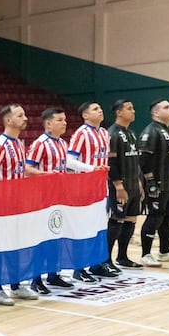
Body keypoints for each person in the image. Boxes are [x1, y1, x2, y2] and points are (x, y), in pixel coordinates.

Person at [0, 104, 41, 304]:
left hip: (18, 205)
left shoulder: (18, 143)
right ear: (8, 120)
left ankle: (16, 285)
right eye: (20, 115)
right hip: (1, 207)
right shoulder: (0, 145)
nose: (25, 118)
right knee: (0, 247)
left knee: (17, 244)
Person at [25, 107, 74, 294]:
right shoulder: (40, 143)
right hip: (42, 199)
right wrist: (47, 175)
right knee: (42, 239)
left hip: (58, 198)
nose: (65, 123)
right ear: (48, 124)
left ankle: (53, 274)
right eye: (60, 120)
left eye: (65, 119)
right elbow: (28, 169)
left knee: (56, 236)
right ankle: (35, 279)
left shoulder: (62, 143)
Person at [67, 101, 116, 280]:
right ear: (85, 115)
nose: (100, 110)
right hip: (84, 187)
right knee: (83, 228)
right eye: (95, 109)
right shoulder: (81, 133)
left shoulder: (104, 132)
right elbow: (69, 160)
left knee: (100, 227)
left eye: (100, 108)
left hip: (101, 187)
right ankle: (79, 269)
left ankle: (96, 264)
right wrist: (90, 169)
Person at [139, 99, 169, 266]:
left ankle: (164, 251)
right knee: (155, 217)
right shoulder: (151, 132)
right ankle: (145, 254)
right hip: (157, 185)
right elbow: (143, 160)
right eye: (166, 107)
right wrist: (150, 181)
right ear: (156, 113)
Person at [106, 99, 145, 269]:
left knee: (131, 221)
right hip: (119, 187)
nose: (133, 111)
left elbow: (134, 160)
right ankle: (106, 260)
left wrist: (138, 182)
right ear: (119, 112)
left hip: (133, 185)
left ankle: (123, 257)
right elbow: (111, 163)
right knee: (116, 221)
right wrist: (119, 186)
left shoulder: (131, 133)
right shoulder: (112, 133)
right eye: (129, 108)